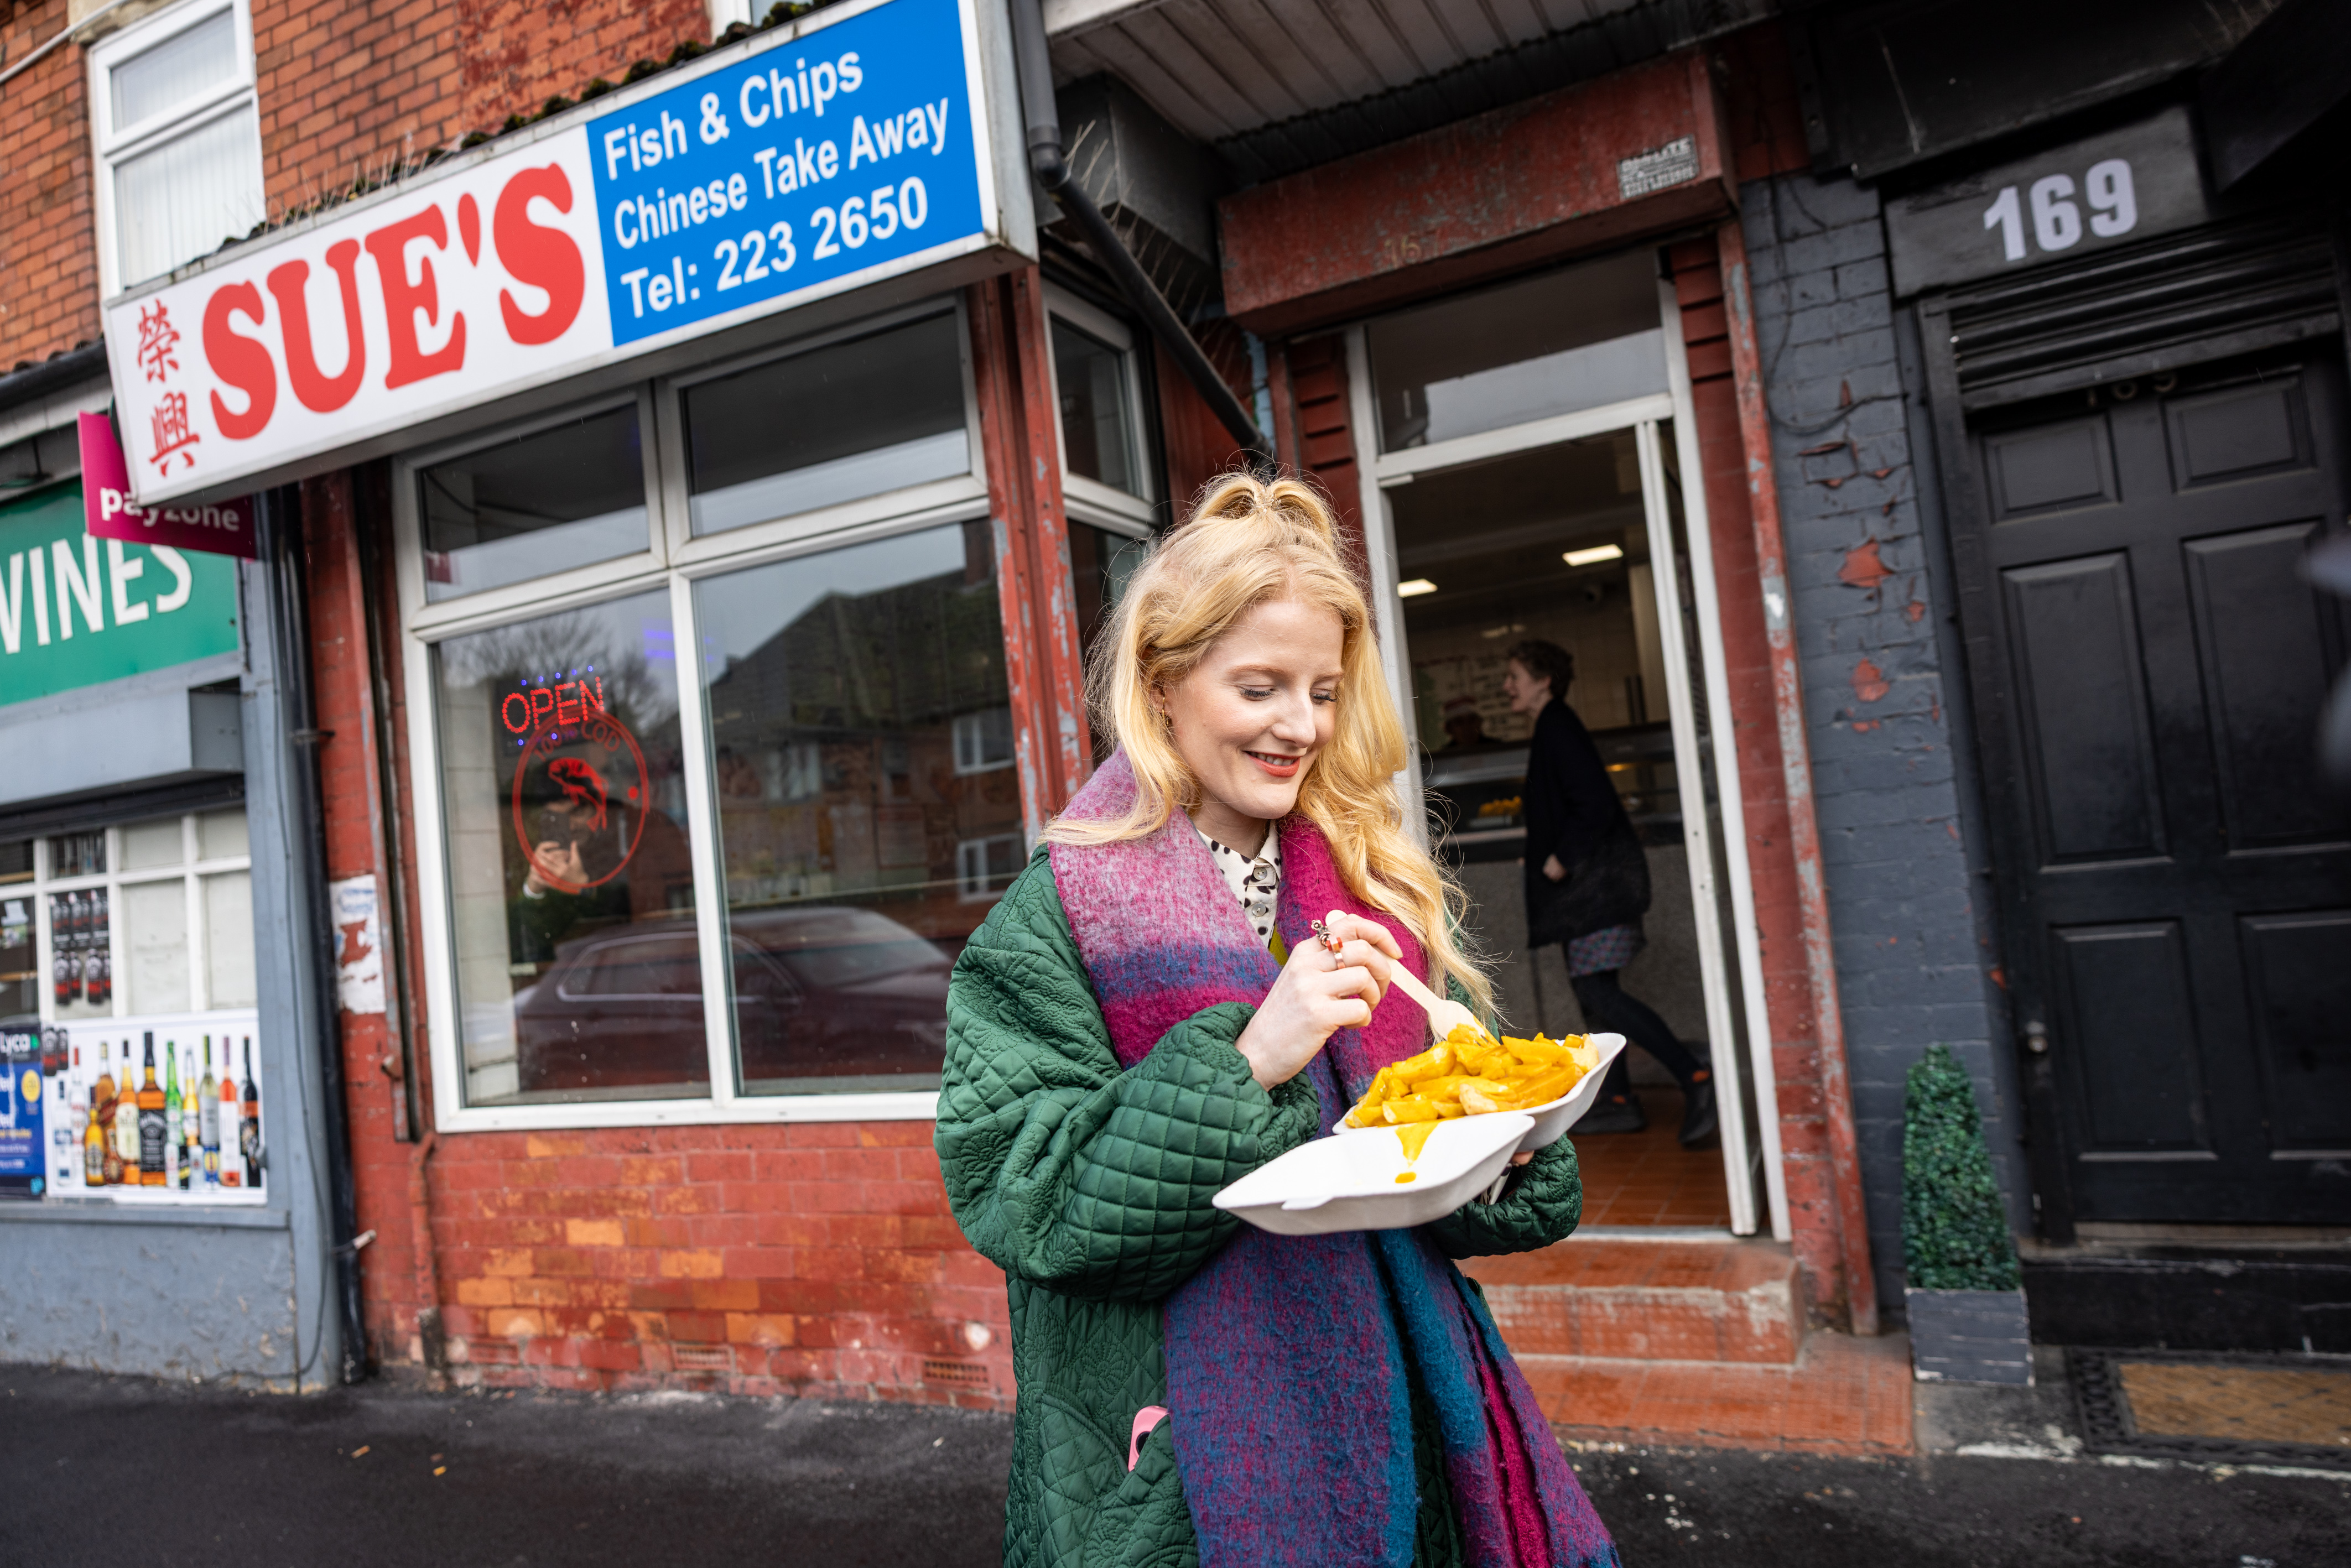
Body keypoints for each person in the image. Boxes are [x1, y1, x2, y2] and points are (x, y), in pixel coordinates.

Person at [938, 475, 1620, 1568]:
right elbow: (1024, 1195)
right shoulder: (1055, 914)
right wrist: (1252, 1057)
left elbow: (1453, 1202)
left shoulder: (1366, 884)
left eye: (1321, 690)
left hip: (1407, 1427)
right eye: (1259, 687)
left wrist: (1500, 1123)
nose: (1298, 727)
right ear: (1163, 685)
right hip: (1173, 1467)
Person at [1504, 638, 1715, 1145]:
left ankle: (1695, 1075)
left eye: (1515, 675)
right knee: (1592, 995)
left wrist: (1560, 858)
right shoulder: (1555, 725)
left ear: (1543, 680)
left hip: (1595, 893)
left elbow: (1593, 803)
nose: (1507, 686)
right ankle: (1619, 1101)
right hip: (1592, 894)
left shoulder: (1558, 725)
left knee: (1598, 990)